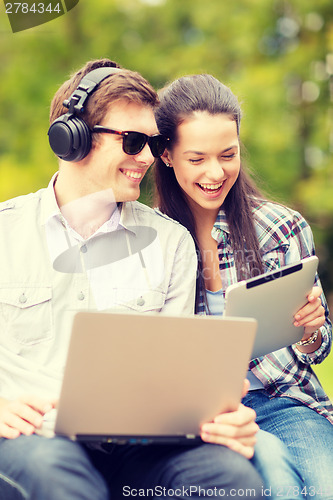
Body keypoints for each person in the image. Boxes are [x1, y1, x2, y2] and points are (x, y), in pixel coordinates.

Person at [0, 58, 267, 500]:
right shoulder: (5, 231)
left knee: (229, 480)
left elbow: (174, 379)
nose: (147, 157)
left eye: (153, 142)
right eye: (132, 141)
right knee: (56, 475)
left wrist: (217, 413)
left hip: (138, 445)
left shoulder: (171, 243)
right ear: (72, 139)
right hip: (34, 441)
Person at [154, 73, 333, 497]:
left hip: (284, 401)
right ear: (166, 155)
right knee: (274, 479)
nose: (216, 172)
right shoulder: (152, 238)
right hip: (200, 414)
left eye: (228, 154)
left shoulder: (280, 229)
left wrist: (311, 329)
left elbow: (320, 348)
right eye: (196, 159)